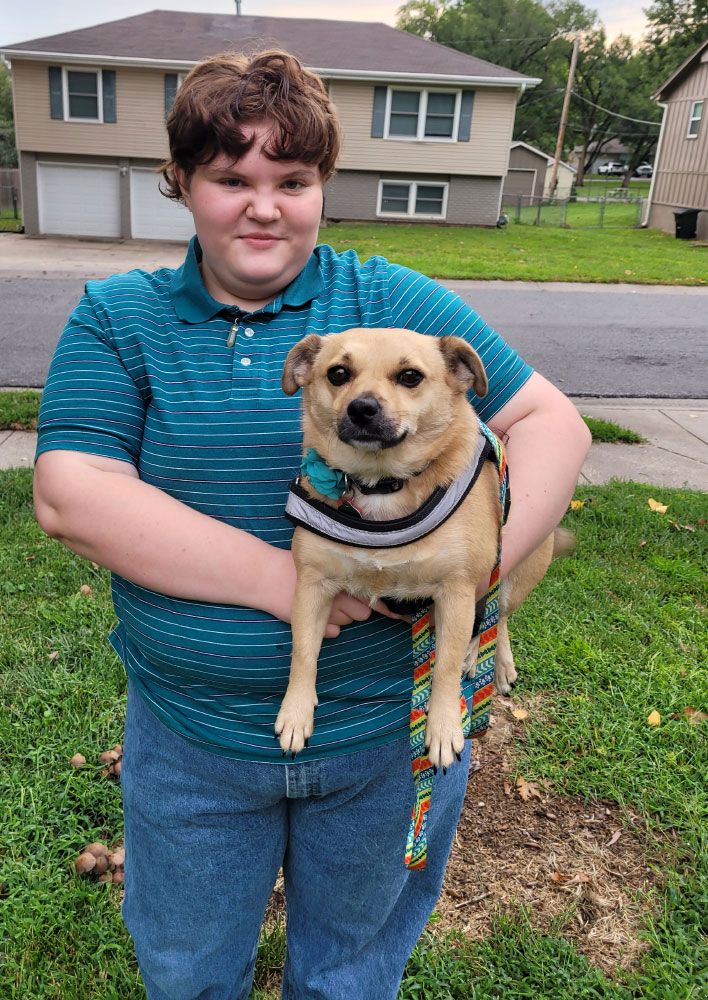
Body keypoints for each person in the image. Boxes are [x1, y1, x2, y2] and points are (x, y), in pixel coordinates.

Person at [33, 50, 591, 1000]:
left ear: (323, 186)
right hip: (193, 741)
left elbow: (553, 424)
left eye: (292, 181)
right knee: (187, 975)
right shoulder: (120, 317)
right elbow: (69, 492)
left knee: (350, 976)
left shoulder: (392, 301)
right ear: (182, 182)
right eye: (231, 179)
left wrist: (468, 560)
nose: (264, 207)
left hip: (383, 740)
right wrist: (289, 580)